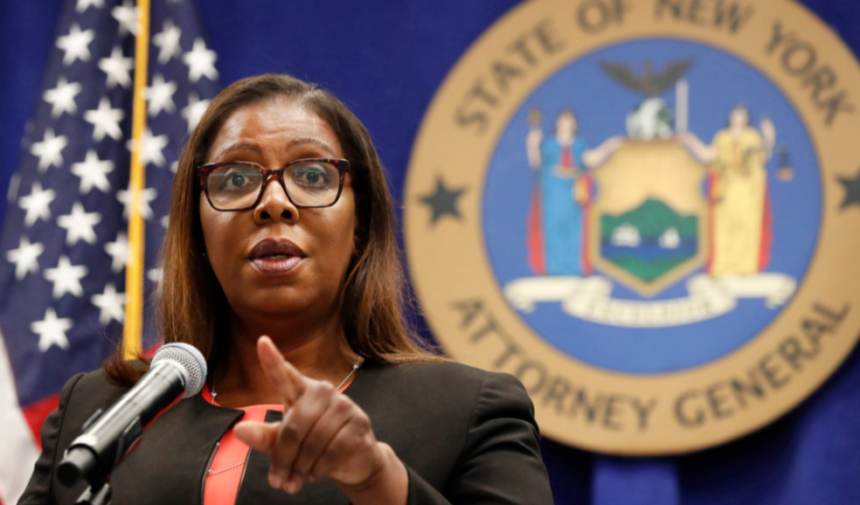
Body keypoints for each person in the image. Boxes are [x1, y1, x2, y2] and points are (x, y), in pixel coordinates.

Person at [19, 74, 553, 505]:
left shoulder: (467, 410)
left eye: (313, 176)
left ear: (361, 224)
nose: (273, 203)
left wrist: (376, 481)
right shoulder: (100, 411)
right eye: (235, 178)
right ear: (199, 231)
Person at [679, 104, 775, 276]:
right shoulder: (722, 138)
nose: (738, 119)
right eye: (735, 116)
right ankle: (723, 266)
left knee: (746, 225)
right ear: (730, 118)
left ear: (746, 119)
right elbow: (708, 156)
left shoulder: (752, 137)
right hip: (726, 189)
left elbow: (763, 156)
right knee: (725, 227)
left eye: (741, 116)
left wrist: (769, 136)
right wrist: (690, 140)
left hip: (748, 190)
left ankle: (745, 267)